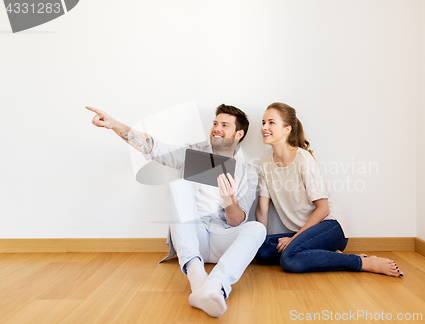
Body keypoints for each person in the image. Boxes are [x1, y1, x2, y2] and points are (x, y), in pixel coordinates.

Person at [86, 104, 266, 317]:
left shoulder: (249, 173)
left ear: (239, 134)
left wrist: (229, 200)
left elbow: (237, 222)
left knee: (257, 229)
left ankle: (216, 284)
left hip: (222, 239)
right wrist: (114, 124)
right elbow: (153, 147)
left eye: (224, 125)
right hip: (192, 236)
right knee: (178, 185)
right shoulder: (194, 154)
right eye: (215, 123)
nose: (216, 128)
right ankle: (197, 277)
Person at [255, 102, 403, 277]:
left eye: (271, 122)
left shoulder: (303, 159)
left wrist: (293, 240)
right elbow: (262, 210)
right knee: (260, 249)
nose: (265, 127)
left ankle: (361, 262)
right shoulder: (265, 163)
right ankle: (323, 253)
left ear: (287, 129)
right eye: (263, 122)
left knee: (289, 259)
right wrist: (257, 239)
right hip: (303, 231)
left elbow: (323, 209)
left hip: (330, 226)